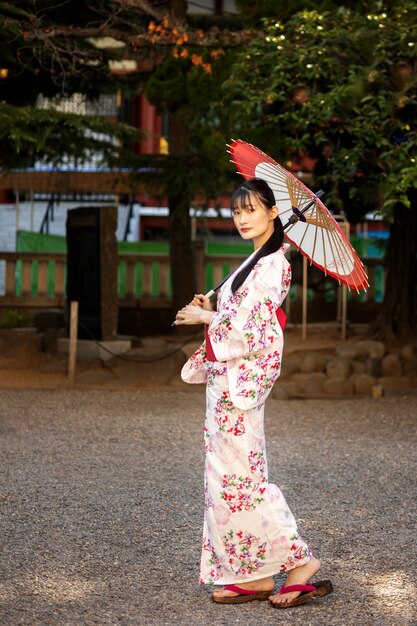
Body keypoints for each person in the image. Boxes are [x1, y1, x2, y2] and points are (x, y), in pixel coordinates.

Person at [175, 178, 333, 609]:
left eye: (251, 209)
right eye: (237, 211)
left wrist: (205, 320)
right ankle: (254, 573)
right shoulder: (256, 260)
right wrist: (212, 311)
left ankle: (301, 562)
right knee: (225, 481)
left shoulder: (274, 265)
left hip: (240, 388)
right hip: (225, 385)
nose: (243, 218)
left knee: (244, 482)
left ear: (272, 212)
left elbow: (256, 329)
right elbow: (236, 316)